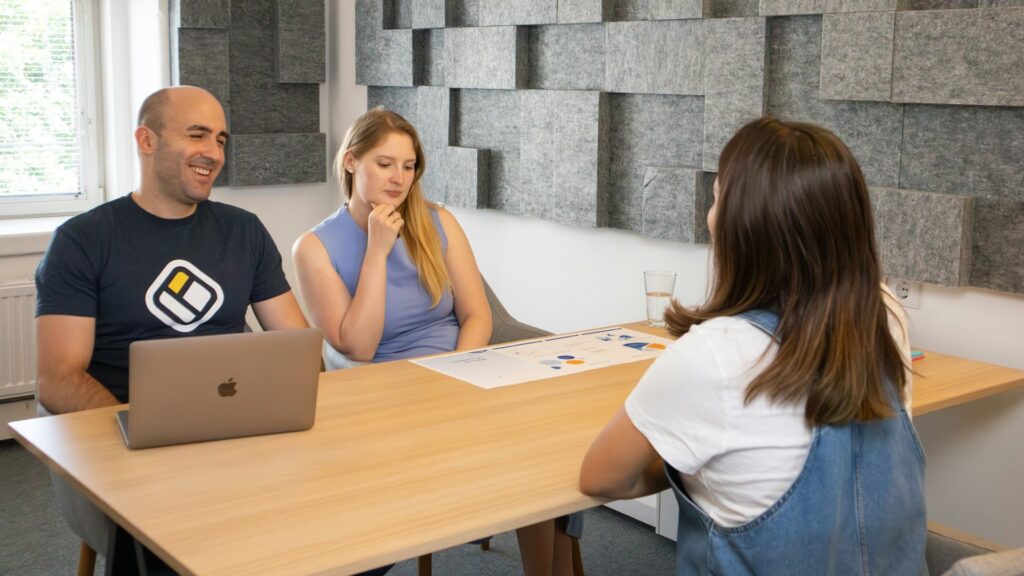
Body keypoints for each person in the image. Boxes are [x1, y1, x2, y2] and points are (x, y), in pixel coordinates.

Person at [579, 117, 926, 575]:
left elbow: (602, 476)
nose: (710, 213)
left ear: (743, 227)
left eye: (717, 197)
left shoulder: (716, 355)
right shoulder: (885, 317)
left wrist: (691, 460)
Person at [292, 107, 575, 576]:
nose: (398, 178)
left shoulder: (437, 221)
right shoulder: (314, 247)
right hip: (383, 390)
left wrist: (459, 373)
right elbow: (358, 346)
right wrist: (378, 252)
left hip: (459, 374)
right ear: (350, 162)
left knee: (544, 447)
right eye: (384, 164)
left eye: (408, 166)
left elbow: (476, 314)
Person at [34, 85, 309, 563]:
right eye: (197, 135)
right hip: (134, 442)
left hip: (239, 430)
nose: (214, 153)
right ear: (146, 140)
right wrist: (137, 427)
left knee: (358, 521)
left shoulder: (243, 230)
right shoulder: (82, 240)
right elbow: (59, 380)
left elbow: (300, 347)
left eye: (221, 139)